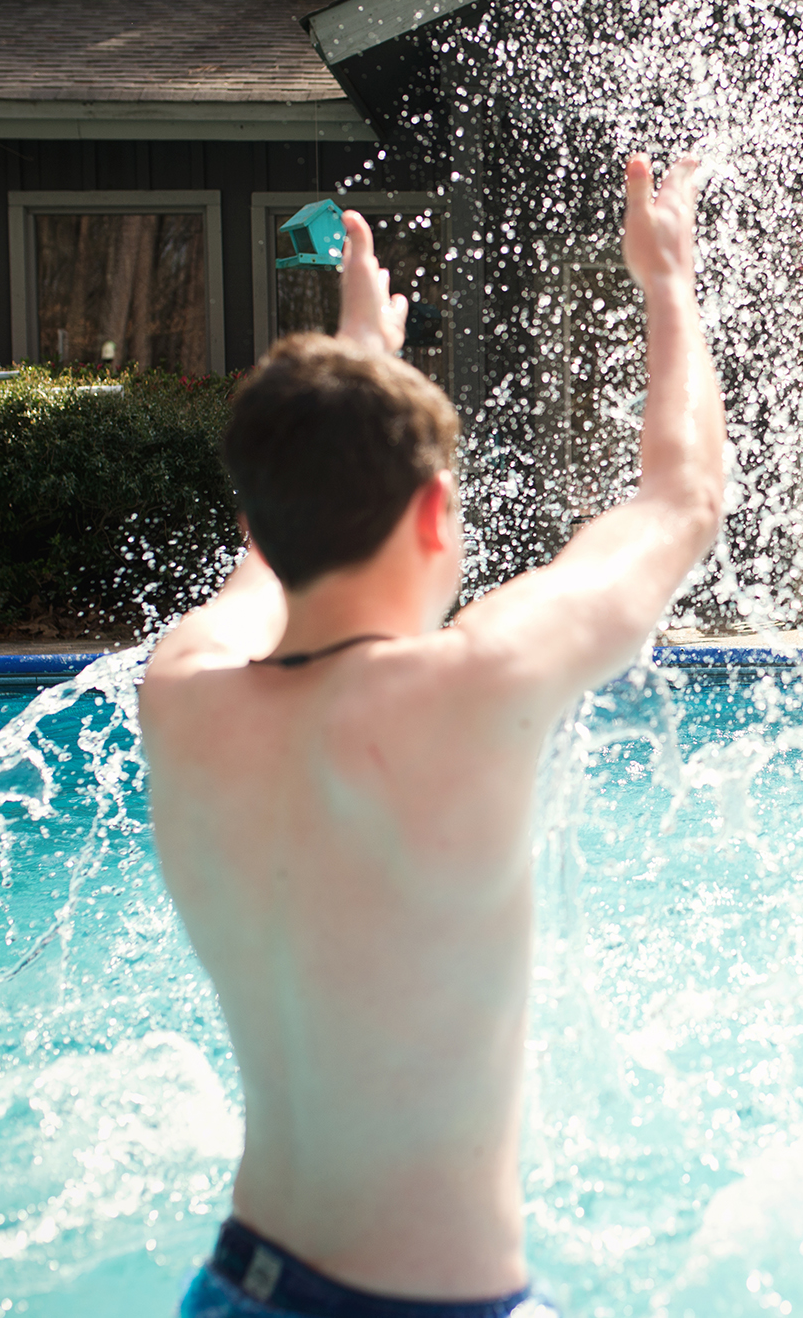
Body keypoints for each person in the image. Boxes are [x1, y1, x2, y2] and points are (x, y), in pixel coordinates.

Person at [138, 154, 724, 1318]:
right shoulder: (476, 681)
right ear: (437, 511)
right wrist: (667, 283)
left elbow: (267, 563)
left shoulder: (184, 689)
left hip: (239, 1285)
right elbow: (680, 499)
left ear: (258, 513)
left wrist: (357, 372)